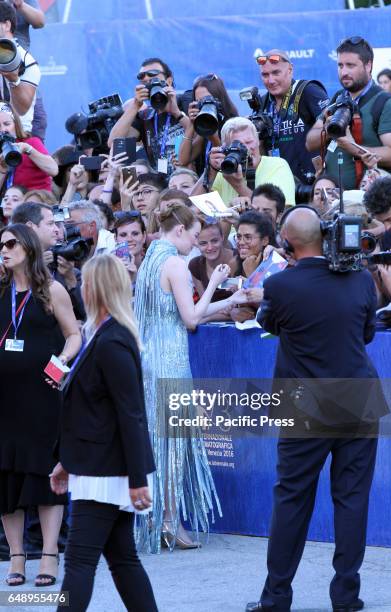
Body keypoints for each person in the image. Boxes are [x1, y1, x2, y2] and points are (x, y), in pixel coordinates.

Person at [246, 206, 387, 612]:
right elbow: (366, 334)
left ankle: (276, 598)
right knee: (352, 499)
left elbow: (269, 324)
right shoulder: (361, 279)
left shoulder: (281, 286)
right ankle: (346, 597)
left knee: (292, 499)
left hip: (305, 405)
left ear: (286, 243)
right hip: (357, 400)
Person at [134, 203, 248, 553]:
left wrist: (232, 301)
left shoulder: (151, 258)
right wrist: (215, 284)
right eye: (195, 237)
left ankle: (161, 520)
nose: (198, 245)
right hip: (171, 363)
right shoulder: (174, 264)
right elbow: (192, 318)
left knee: (158, 442)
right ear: (180, 230)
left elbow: (181, 314)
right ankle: (169, 521)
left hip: (150, 359)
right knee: (173, 444)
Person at [49, 255, 158, 612]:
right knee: (122, 559)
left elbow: (131, 414)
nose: (80, 286)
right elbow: (93, 412)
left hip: (108, 472)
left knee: (80, 562)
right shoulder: (99, 335)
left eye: (85, 282)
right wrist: (68, 461)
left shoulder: (112, 341)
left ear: (94, 287)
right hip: (97, 465)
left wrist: (138, 478)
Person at [0, 223, 81, 587]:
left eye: (11, 244)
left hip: (42, 395)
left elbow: (74, 335)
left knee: (44, 474)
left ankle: (49, 556)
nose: (4, 250)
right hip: (4, 399)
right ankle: (17, 558)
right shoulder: (0, 291)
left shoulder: (51, 290)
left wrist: (60, 364)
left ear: (29, 248)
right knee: (7, 478)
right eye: (1, 245)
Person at [306, 37, 391, 190]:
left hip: (369, 201)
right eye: (340, 65)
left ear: (368, 65)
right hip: (332, 200)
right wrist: (328, 129)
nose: (344, 72)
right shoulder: (338, 98)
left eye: (350, 65)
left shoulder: (386, 102)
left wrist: (354, 148)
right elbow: (310, 143)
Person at [255, 49, 329, 189]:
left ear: (290, 70)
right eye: (265, 75)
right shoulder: (263, 103)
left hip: (312, 186)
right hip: (278, 187)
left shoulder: (308, 91)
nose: (271, 80)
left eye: (276, 72)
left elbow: (334, 130)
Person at [108, 57, 190, 175]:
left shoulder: (185, 100)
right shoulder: (145, 116)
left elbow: (198, 132)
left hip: (189, 182)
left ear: (169, 80)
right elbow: (113, 143)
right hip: (161, 188)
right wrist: (136, 105)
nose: (146, 78)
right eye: (141, 76)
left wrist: (176, 112)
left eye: (153, 74)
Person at [193, 117, 295, 206]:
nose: (245, 149)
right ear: (225, 149)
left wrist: (239, 186)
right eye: (237, 145)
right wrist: (211, 170)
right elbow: (192, 207)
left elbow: (277, 215)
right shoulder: (224, 171)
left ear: (258, 142)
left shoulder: (277, 166)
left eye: (249, 142)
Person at [178, 73, 238, 175]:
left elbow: (227, 163)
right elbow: (183, 160)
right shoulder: (204, 123)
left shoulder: (233, 124)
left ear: (219, 99)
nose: (204, 104)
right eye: (199, 101)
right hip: (206, 185)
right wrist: (192, 124)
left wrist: (214, 139)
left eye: (207, 99)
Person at [0, 2, 41, 133]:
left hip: (18, 137)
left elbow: (22, 111)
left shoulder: (26, 61)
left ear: (6, 25)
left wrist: (14, 81)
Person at [0, 102, 57, 193]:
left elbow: (54, 170)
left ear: (16, 124)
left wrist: (29, 150)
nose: (3, 130)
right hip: (11, 205)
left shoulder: (30, 142)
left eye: (7, 124)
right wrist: (2, 170)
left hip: (36, 203)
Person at [189, 220, 233, 302]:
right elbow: (204, 304)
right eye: (203, 243)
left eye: (214, 241)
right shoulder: (195, 265)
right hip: (213, 313)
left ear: (222, 238)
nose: (210, 247)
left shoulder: (238, 260)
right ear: (196, 243)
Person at [114, 211, 146, 286]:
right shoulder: (106, 271)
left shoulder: (155, 268)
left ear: (144, 237)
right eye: (123, 235)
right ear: (115, 238)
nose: (129, 239)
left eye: (135, 234)